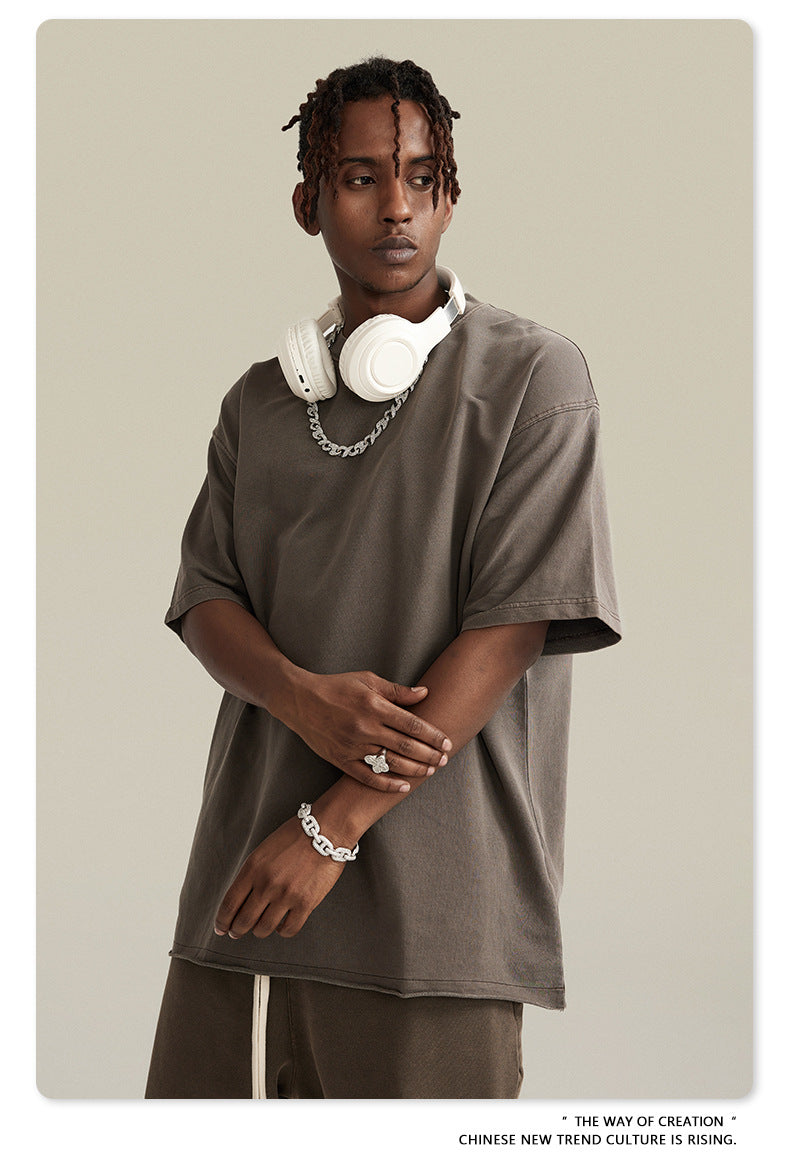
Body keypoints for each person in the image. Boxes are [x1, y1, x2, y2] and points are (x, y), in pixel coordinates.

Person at [145, 55, 621, 1100]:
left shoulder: (534, 377)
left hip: (434, 927)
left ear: (450, 196)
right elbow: (206, 597)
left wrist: (331, 826)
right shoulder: (258, 404)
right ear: (308, 204)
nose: (396, 206)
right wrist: (298, 696)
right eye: (361, 178)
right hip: (244, 904)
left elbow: (511, 628)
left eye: (421, 176)